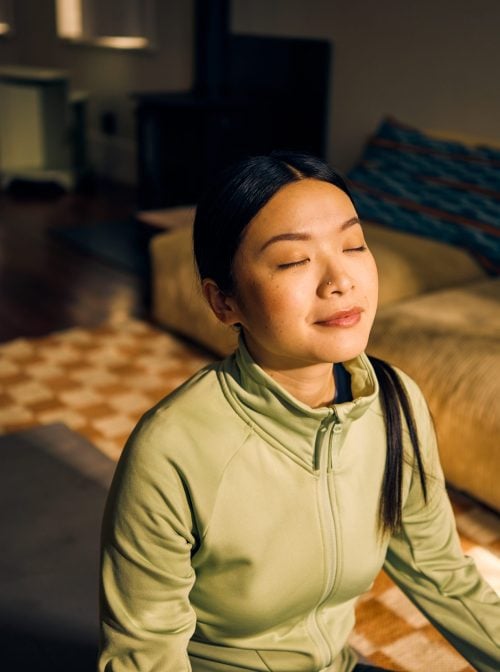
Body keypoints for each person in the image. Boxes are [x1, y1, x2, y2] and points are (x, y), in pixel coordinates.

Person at [98, 152, 500, 672]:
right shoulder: (170, 451)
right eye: (293, 261)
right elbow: (145, 655)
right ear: (224, 303)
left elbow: (442, 574)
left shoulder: (396, 402)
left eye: (354, 246)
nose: (340, 280)